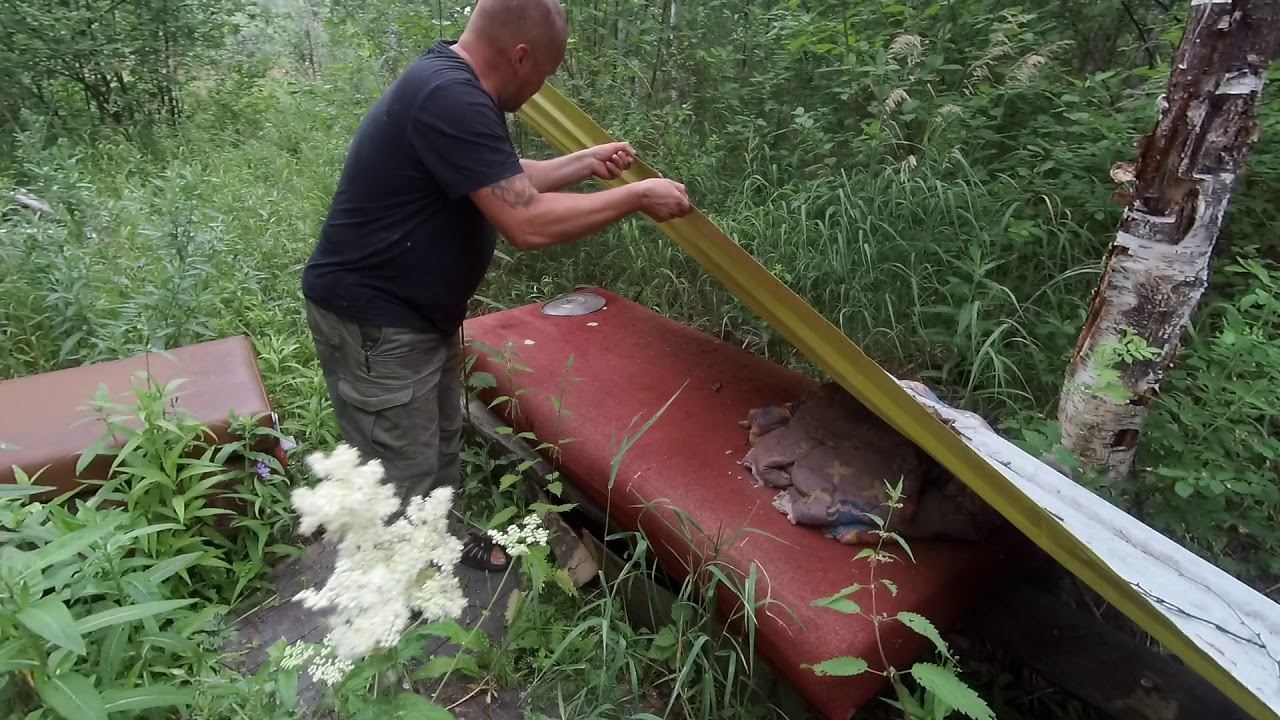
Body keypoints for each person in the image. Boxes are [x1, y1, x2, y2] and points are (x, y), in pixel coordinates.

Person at [300, 0, 693, 572]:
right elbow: (525, 220)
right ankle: (393, 598)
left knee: (439, 447)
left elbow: (502, 173)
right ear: (521, 55)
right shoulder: (449, 94)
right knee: (398, 472)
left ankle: (438, 540)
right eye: (545, 74)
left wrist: (584, 162)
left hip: (415, 316)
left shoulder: (456, 85)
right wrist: (635, 196)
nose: (539, 88)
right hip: (373, 323)